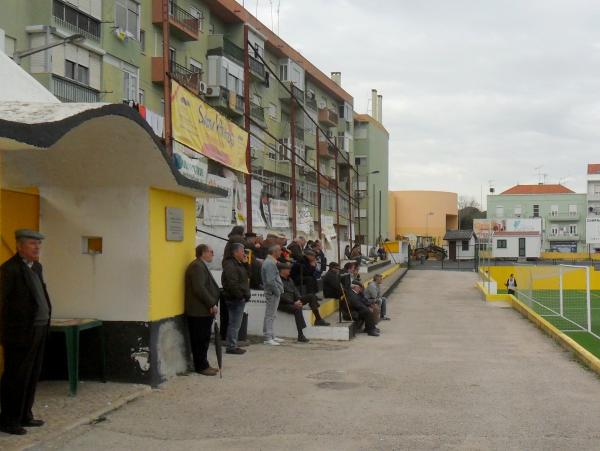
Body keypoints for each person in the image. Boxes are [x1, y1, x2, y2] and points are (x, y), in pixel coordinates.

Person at [0, 230, 52, 435]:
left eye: (38, 244)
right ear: (20, 246)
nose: (37, 248)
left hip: (38, 328)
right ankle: (8, 420)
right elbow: (3, 304)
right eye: (32, 244)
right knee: (15, 376)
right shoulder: (9, 269)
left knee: (31, 375)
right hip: (19, 333)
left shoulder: (37, 267)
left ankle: (25, 415)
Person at [185, 244, 220, 376]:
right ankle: (201, 366)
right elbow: (199, 288)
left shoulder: (201, 265)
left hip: (203, 310)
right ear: (204, 252)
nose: (212, 254)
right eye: (211, 252)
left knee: (204, 339)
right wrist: (211, 303)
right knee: (199, 340)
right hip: (198, 310)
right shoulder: (197, 266)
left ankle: (204, 364)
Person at [221, 243, 251, 355]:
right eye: (242, 251)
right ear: (235, 252)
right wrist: (240, 296)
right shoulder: (230, 265)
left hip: (238, 297)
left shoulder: (239, 263)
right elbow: (232, 283)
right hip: (235, 298)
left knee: (235, 323)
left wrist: (246, 264)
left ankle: (232, 344)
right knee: (234, 323)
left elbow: (249, 275)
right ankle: (231, 346)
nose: (244, 253)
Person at [261, 245, 284, 346]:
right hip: (272, 293)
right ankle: (268, 337)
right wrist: (277, 291)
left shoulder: (270, 262)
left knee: (271, 315)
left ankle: (271, 335)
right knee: (270, 315)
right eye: (279, 250)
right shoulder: (270, 263)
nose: (281, 252)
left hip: (272, 292)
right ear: (274, 252)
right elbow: (270, 281)